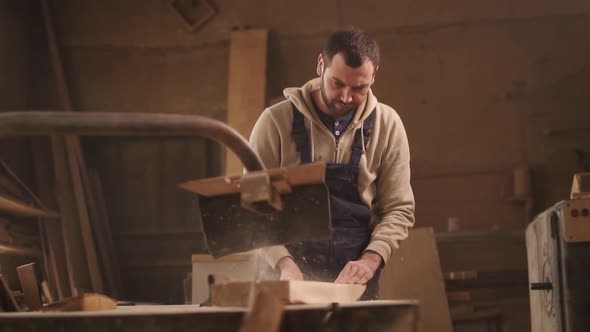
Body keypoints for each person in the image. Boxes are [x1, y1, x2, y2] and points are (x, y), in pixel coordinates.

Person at [249, 27, 415, 300]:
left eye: (359, 87)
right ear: (320, 65)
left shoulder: (388, 124)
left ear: (374, 77)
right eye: (337, 83)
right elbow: (253, 204)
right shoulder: (275, 122)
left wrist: (371, 260)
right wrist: (283, 262)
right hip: (287, 272)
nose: (346, 97)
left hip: (355, 277)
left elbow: (398, 208)